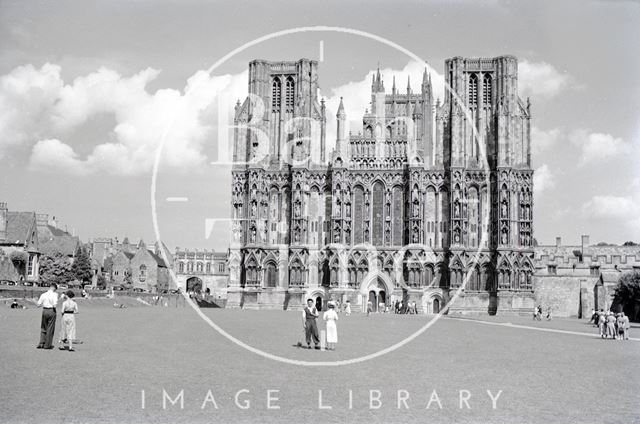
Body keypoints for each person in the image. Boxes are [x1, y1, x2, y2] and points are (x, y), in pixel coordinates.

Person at [36, 283, 59, 349]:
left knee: (43, 327)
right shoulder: (55, 295)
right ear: (54, 288)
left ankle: (41, 343)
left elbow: (38, 304)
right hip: (51, 310)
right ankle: (47, 345)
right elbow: (55, 305)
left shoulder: (43, 294)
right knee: (50, 328)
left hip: (44, 310)